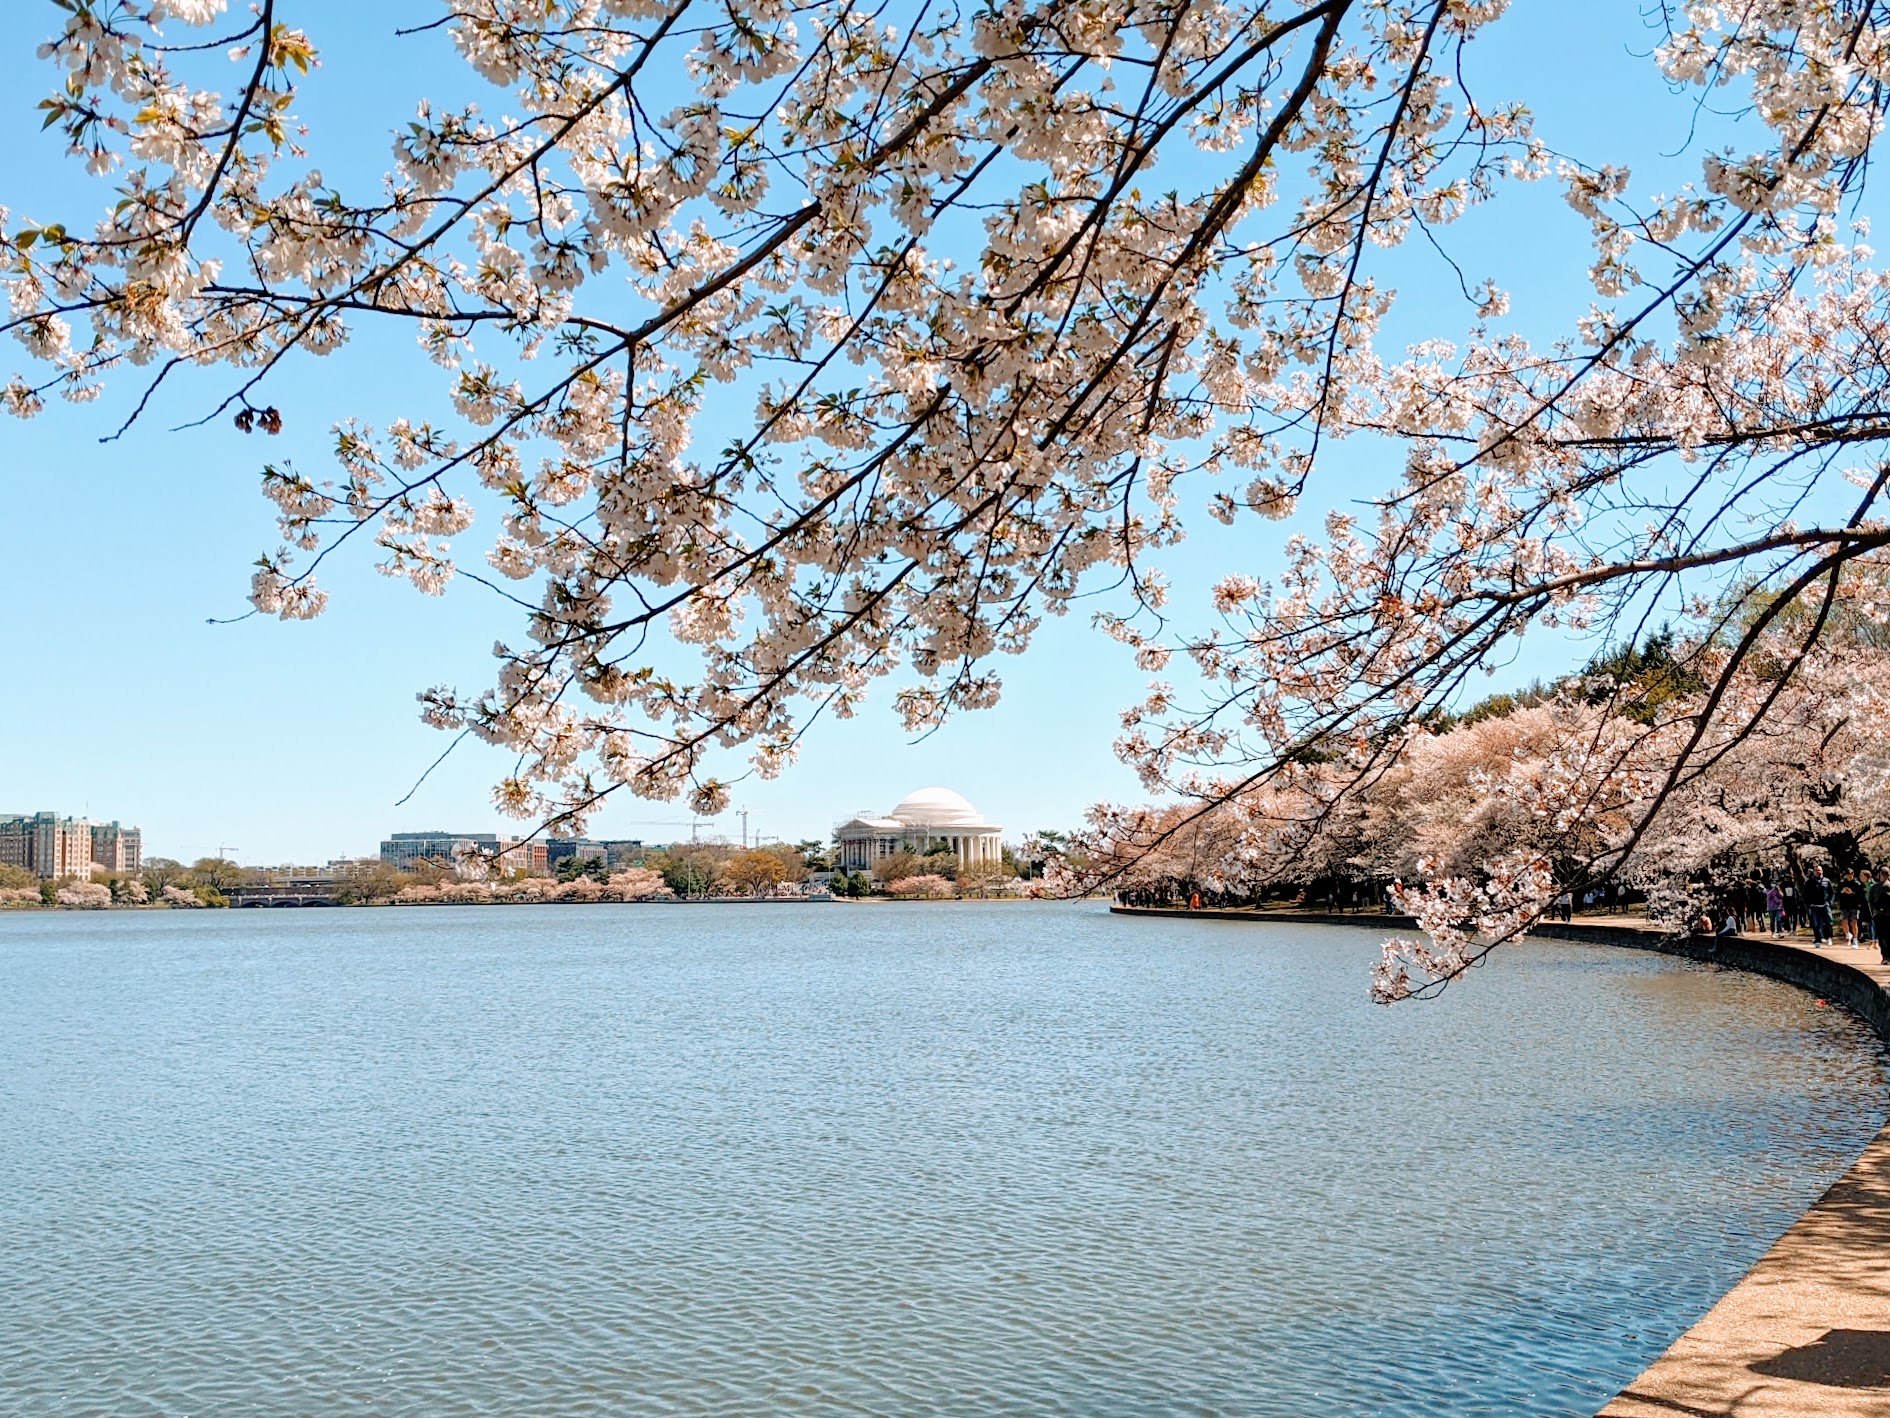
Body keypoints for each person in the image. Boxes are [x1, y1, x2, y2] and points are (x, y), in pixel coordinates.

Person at [1805, 865, 1834, 948]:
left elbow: (1831, 893)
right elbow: (1806, 894)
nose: (1818, 872)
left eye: (1820, 870)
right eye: (1817, 870)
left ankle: (1829, 937)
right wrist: (1809, 904)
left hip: (1825, 905)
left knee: (1828, 921)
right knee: (1816, 923)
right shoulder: (1809, 882)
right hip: (1814, 906)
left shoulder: (1827, 881)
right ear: (1814, 872)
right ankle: (1818, 939)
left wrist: (1829, 902)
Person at [1839, 869, 1864, 948]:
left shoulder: (1857, 884)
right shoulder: (1842, 883)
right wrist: (1842, 891)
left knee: (1854, 922)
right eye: (1847, 874)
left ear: (1853, 874)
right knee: (1844, 921)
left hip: (1854, 905)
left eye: (1850, 874)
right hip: (1844, 904)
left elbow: (1860, 895)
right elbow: (1837, 893)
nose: (1849, 875)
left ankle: (1855, 939)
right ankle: (1847, 934)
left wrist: (1852, 893)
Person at [1872, 867, 1890, 965]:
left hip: (1878, 915)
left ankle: (1885, 956)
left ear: (1880, 875)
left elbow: (1870, 900)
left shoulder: (1875, 887)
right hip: (1888, 915)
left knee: (1881, 936)